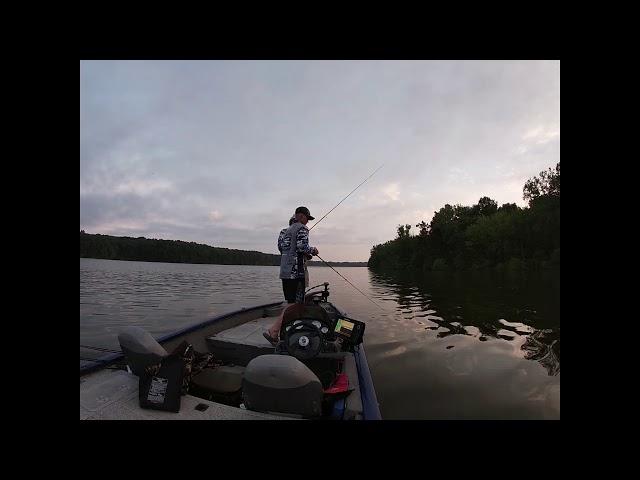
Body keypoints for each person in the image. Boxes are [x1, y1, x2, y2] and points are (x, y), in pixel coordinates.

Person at [264, 206, 319, 345]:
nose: (307, 222)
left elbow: (282, 248)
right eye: (307, 218)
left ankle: (283, 331)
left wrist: (304, 254)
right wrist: (313, 250)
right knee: (295, 304)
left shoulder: (283, 231)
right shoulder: (302, 228)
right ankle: (275, 330)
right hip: (297, 273)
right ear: (301, 216)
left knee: (290, 302)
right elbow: (302, 247)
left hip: (285, 272)